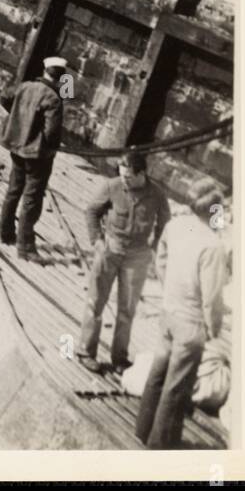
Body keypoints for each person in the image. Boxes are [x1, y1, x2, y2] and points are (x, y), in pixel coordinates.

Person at [135, 180, 232, 449]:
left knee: (158, 373)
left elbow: (161, 259)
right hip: (190, 325)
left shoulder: (176, 226)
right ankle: (161, 444)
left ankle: (142, 430)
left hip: (169, 312)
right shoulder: (213, 245)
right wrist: (212, 330)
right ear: (213, 211)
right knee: (176, 387)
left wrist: (169, 288)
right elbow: (212, 298)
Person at [76, 153, 170, 374]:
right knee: (96, 302)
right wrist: (96, 240)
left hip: (137, 256)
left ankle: (119, 358)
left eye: (128, 176)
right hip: (110, 249)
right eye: (122, 175)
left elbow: (165, 224)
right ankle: (85, 352)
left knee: (127, 310)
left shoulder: (157, 194)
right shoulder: (112, 186)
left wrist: (155, 248)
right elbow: (91, 211)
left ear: (141, 174)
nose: (124, 180)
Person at [0, 55, 69, 260]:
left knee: (13, 189)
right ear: (61, 77)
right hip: (37, 155)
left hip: (17, 147)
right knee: (32, 199)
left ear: (45, 71)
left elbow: (4, 96)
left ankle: (5, 232)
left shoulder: (25, 86)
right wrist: (49, 145)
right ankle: (25, 247)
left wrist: (19, 117)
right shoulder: (54, 98)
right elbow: (52, 133)